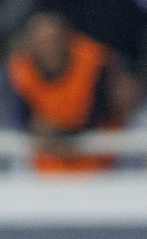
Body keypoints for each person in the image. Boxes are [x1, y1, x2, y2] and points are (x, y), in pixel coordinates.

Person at [8, 11, 124, 174]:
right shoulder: (21, 69)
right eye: (42, 42)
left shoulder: (93, 62)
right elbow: (21, 120)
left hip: (99, 167)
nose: (49, 48)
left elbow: (100, 116)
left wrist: (57, 133)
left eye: (53, 40)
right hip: (46, 171)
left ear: (67, 38)